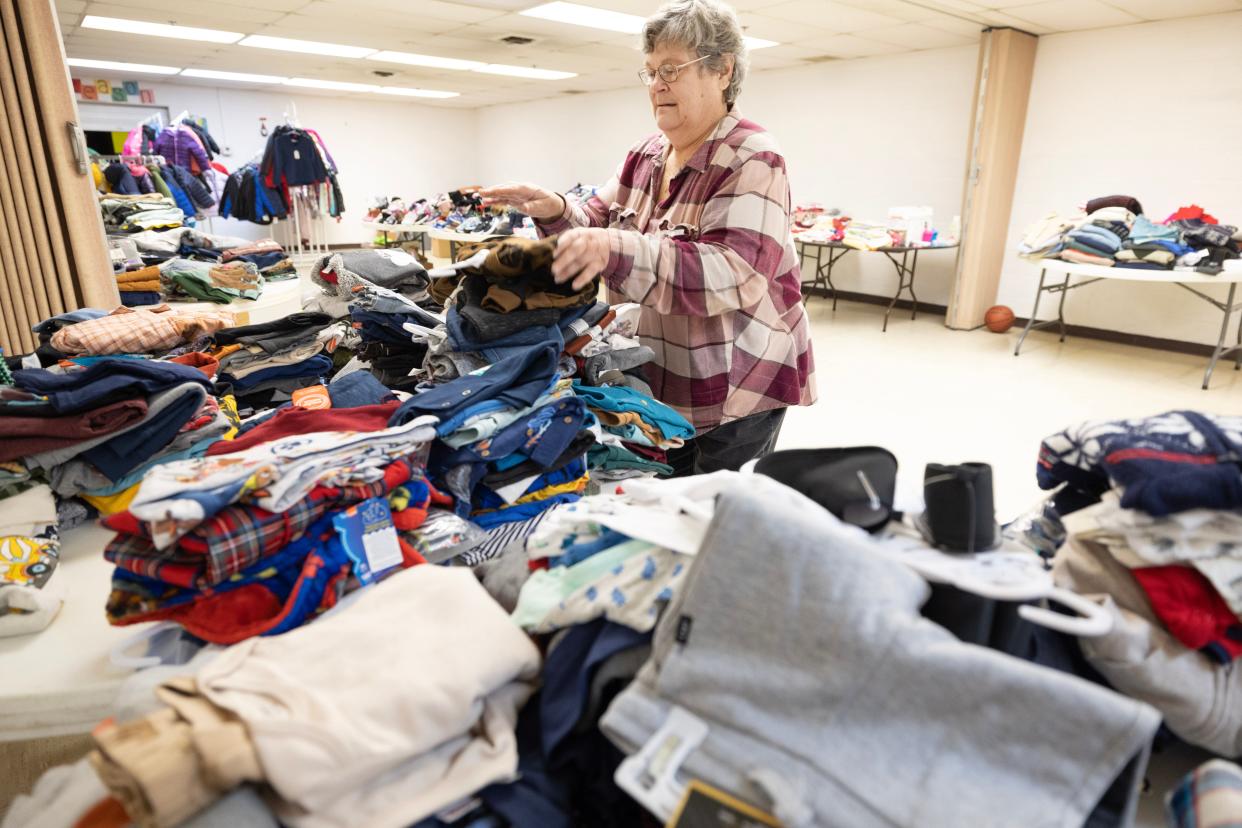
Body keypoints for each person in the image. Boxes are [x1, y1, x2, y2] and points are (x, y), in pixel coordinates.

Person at [482, 0, 816, 476]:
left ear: (722, 70)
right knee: (661, 498)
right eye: (650, 71)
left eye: (672, 69)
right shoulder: (645, 155)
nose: (657, 85)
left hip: (739, 381)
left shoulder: (752, 156)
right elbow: (593, 223)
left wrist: (611, 247)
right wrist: (557, 210)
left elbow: (731, 273)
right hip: (660, 374)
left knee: (710, 509)